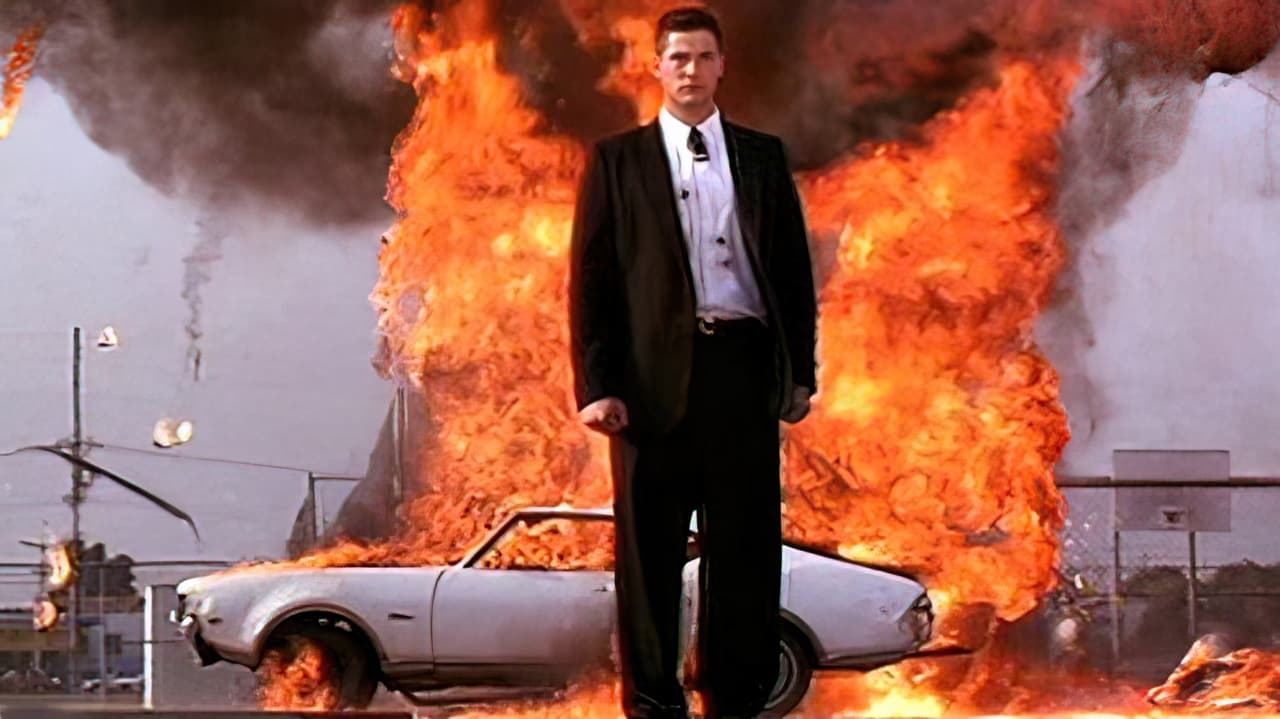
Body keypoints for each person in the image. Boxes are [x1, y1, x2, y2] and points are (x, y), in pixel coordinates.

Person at [569, 6, 817, 718]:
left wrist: (799, 373)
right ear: (656, 66)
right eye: (678, 57)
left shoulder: (762, 157)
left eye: (704, 57)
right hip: (650, 384)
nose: (691, 70)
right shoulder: (618, 161)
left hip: (742, 370)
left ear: (722, 66)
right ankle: (654, 702)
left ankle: (734, 700)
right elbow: (593, 280)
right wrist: (598, 385)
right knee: (649, 554)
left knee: (744, 551)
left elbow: (791, 272)